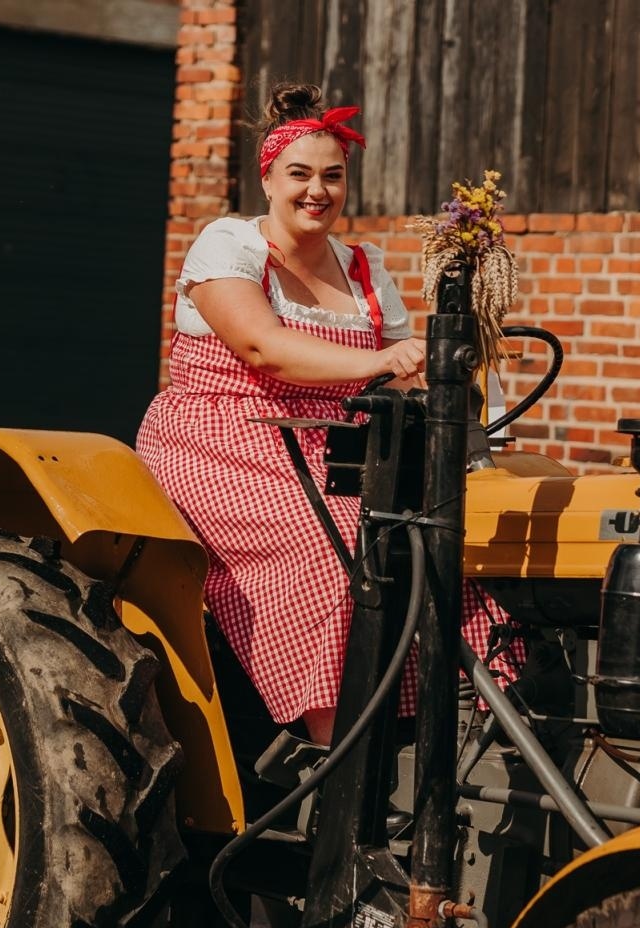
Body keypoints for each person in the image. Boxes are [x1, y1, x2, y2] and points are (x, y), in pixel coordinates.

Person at [137, 83, 517, 745]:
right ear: (269, 178)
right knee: (337, 554)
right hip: (222, 440)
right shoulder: (228, 245)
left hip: (334, 451)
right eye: (300, 174)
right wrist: (383, 361)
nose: (318, 190)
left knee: (445, 545)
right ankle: (334, 763)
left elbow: (413, 370)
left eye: (332, 177)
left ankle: (470, 735)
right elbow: (265, 348)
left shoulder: (363, 269)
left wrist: (471, 393)